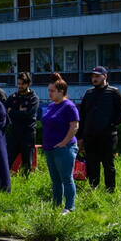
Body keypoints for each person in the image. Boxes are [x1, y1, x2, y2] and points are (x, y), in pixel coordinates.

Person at [78, 66, 121, 192]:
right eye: (93, 76)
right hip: (90, 136)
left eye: (97, 76)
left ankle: (110, 190)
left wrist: (110, 125)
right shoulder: (89, 93)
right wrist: (81, 137)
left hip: (108, 136)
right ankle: (93, 189)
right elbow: (82, 116)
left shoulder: (114, 92)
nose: (94, 79)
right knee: (92, 164)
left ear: (105, 76)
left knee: (108, 164)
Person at [41, 74, 79, 214]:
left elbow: (74, 126)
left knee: (66, 178)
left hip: (64, 148)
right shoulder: (51, 106)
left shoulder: (69, 106)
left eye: (52, 91)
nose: (49, 93)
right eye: (49, 90)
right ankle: (56, 206)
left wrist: (64, 143)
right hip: (50, 148)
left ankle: (70, 207)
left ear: (61, 91)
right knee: (55, 180)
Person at [6, 72, 39, 175]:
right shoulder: (13, 97)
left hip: (27, 134)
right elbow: (6, 112)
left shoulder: (33, 98)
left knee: (27, 164)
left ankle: (26, 184)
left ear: (28, 83)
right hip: (14, 133)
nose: (20, 86)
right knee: (7, 160)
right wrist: (19, 112)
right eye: (18, 83)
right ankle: (4, 183)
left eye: (22, 84)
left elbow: (28, 114)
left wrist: (13, 111)